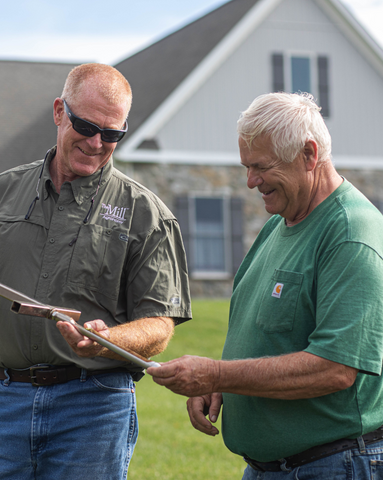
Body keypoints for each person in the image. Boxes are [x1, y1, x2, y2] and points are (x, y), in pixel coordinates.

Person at [0, 63, 192, 480]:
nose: (96, 143)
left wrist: (107, 340)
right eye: (86, 126)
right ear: (59, 111)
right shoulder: (1, 192)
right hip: (4, 401)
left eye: (112, 134)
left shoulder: (145, 213)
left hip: (94, 406)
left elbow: (160, 325)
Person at [148, 92, 383, 479]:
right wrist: (225, 384)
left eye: (261, 167)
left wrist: (217, 375)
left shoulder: (349, 232)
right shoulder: (278, 224)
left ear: (308, 155)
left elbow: (335, 368)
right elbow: (268, 339)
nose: (250, 181)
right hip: (272, 469)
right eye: (246, 166)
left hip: (333, 465)